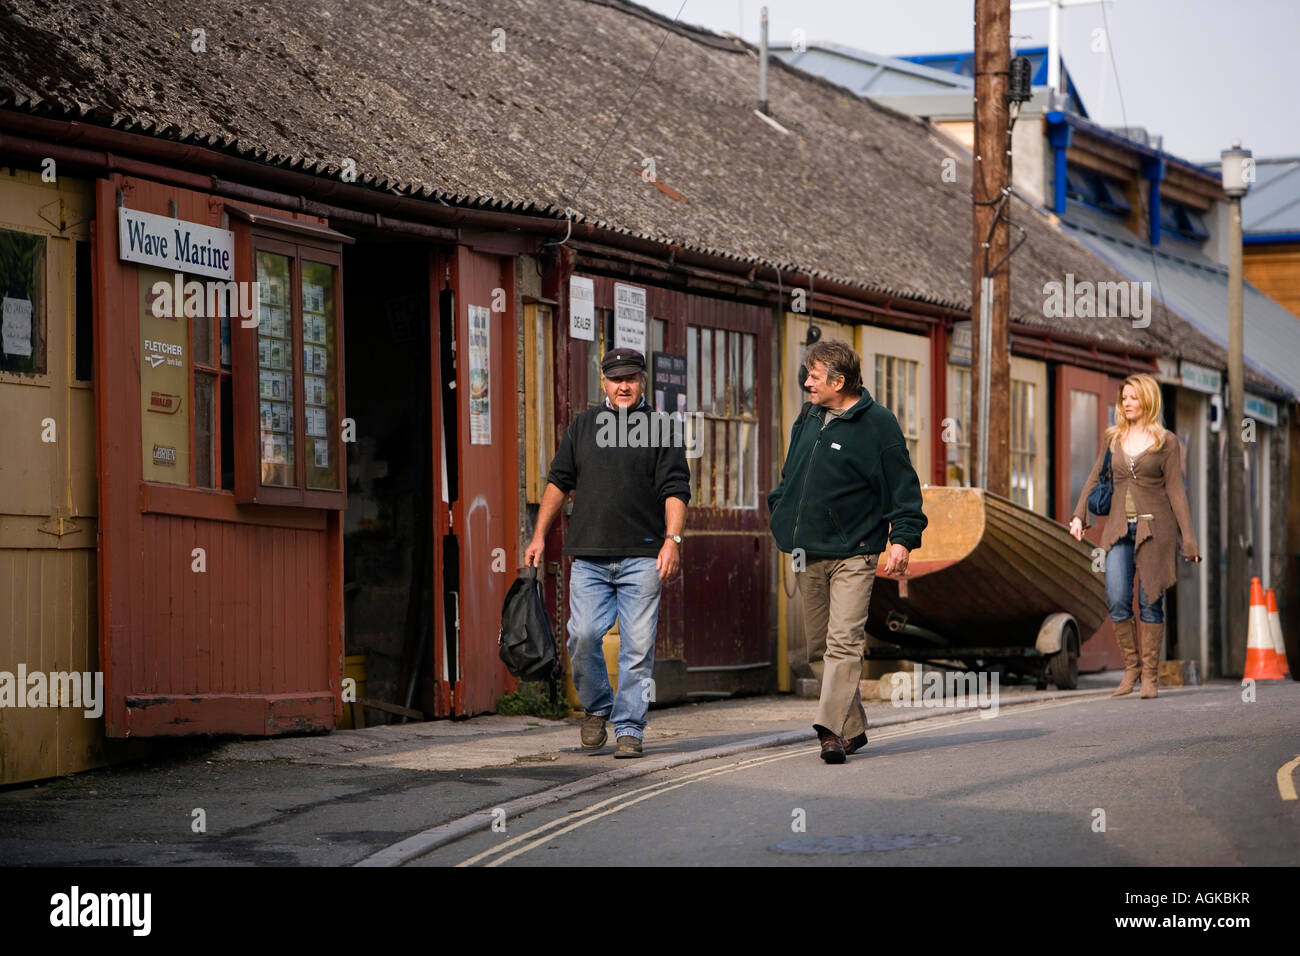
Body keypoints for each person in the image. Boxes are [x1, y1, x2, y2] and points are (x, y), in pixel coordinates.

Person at [524, 348, 690, 757]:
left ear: (643, 381)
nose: (623, 386)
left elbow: (676, 489)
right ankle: (597, 709)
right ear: (603, 382)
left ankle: (630, 727)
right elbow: (558, 482)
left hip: (643, 556)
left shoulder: (662, 428)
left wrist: (673, 540)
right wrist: (538, 535)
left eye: (631, 378)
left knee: (637, 647)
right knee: (581, 638)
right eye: (616, 379)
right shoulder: (583, 426)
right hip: (589, 557)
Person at [768, 339, 928, 763]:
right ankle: (852, 728)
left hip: (856, 551)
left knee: (844, 643)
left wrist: (902, 539)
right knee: (817, 649)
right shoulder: (808, 416)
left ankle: (828, 728)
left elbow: (904, 489)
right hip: (807, 552)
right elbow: (790, 475)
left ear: (839, 381)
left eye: (815, 377)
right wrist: (780, 509)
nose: (807, 383)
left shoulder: (879, 424)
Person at [1070, 373, 1201, 699]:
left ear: (1147, 400)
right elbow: (1093, 478)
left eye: (1133, 397)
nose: (1126, 403)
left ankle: (1150, 677)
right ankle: (1132, 669)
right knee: (1116, 597)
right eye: (1123, 398)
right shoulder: (1113, 438)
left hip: (1156, 530)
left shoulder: (1165, 441)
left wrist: (1189, 538)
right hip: (1117, 529)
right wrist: (1079, 515)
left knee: (1151, 601)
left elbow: (1176, 491)